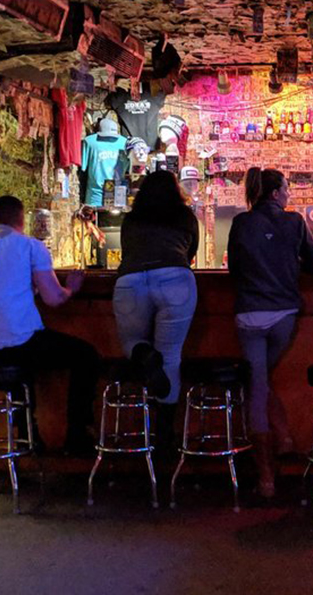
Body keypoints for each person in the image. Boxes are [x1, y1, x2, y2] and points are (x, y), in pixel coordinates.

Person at [0, 195, 99, 453]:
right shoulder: (30, 246)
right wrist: (71, 289)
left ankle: (28, 438)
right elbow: (54, 299)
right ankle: (76, 436)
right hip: (18, 345)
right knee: (86, 356)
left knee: (23, 364)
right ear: (23, 220)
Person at [227, 168, 313, 497]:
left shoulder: (241, 222)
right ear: (274, 194)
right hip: (283, 314)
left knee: (256, 384)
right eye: (285, 189)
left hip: (248, 314)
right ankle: (282, 436)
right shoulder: (294, 222)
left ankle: (266, 478)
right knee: (259, 381)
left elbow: (234, 269)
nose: (288, 195)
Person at [113, 170, 200, 453]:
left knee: (131, 342)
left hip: (131, 279)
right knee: (171, 356)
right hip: (175, 277)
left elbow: (126, 252)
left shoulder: (132, 219)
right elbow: (190, 253)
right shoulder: (185, 216)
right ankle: (164, 436)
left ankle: (145, 356)